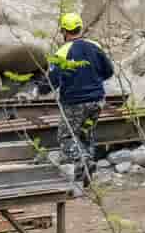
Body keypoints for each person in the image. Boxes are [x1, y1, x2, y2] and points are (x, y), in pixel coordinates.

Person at [44, 12, 115, 188]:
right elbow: (109, 71)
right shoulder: (95, 46)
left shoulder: (62, 52)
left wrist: (38, 89)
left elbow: (51, 82)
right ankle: (86, 178)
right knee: (86, 135)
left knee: (66, 136)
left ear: (63, 31)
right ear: (80, 27)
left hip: (74, 103)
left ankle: (82, 161)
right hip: (97, 101)